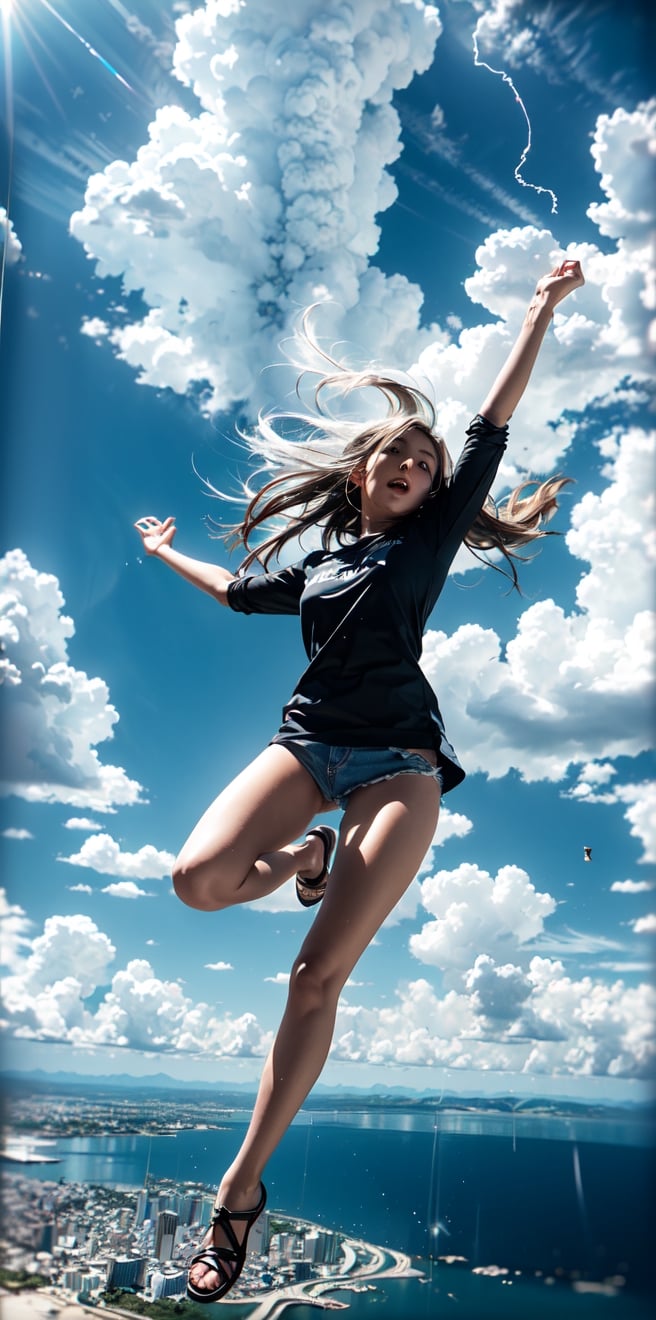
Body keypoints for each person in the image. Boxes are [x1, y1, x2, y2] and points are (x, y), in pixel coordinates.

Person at [134, 258, 584, 1303]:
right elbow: (237, 591)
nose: (410, 464)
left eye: (422, 465)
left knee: (312, 977)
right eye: (394, 453)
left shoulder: (424, 543)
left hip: (398, 766)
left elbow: (487, 426)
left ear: (430, 492)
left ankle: (237, 1195)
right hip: (306, 744)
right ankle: (304, 855)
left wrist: (536, 308)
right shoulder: (323, 564)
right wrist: (162, 553)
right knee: (196, 882)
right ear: (361, 473)